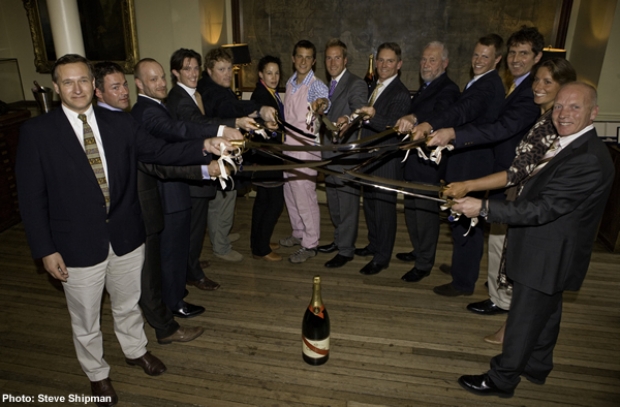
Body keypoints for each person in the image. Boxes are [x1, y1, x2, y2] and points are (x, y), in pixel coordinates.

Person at [16, 54, 230, 406]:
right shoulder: (37, 132)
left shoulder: (120, 122)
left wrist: (204, 146)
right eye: (68, 82)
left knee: (128, 304)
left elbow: (159, 151)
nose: (77, 88)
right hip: (75, 245)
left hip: (127, 234)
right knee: (86, 319)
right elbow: (31, 197)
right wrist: (45, 249)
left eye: (83, 80)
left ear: (93, 84)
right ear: (56, 88)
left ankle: (135, 350)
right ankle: (97, 374)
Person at [454, 82, 614, 398]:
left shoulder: (588, 158)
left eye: (575, 107)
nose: (563, 114)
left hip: (548, 252)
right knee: (547, 312)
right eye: (559, 106)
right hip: (551, 250)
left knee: (524, 319)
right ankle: (537, 366)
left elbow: (543, 208)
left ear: (593, 112)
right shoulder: (570, 143)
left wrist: (483, 207)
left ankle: (502, 379)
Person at [442, 58, 578, 344]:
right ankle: (509, 317)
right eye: (537, 80)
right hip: (520, 200)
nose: (538, 86)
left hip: (528, 205)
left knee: (524, 273)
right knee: (508, 258)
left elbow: (516, 172)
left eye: (548, 82)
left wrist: (469, 185)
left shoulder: (550, 124)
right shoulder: (544, 118)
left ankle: (512, 333)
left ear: (564, 87)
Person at [93, 61, 206, 346]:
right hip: (127, 213)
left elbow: (157, 157)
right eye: (115, 87)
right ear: (99, 92)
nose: (123, 91)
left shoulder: (124, 119)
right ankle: (162, 327)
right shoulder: (113, 121)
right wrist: (207, 151)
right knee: (143, 279)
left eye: (123, 85)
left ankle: (157, 330)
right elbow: (159, 158)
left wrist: (206, 160)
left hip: (141, 208)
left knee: (146, 277)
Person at [428, 26, 544, 298]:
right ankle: (467, 270)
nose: (516, 59)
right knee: (475, 223)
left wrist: (453, 133)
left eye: (523, 53)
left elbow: (501, 128)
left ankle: (469, 283)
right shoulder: (515, 86)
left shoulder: (530, 91)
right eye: (513, 52)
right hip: (494, 165)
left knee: (482, 227)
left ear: (537, 57)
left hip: (507, 171)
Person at [131, 58, 242, 318]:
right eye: (153, 79)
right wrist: (216, 133)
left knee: (177, 248)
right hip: (167, 195)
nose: (161, 83)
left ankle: (175, 292)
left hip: (175, 189)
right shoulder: (146, 111)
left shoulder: (158, 105)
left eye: (161, 77)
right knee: (172, 250)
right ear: (139, 84)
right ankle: (174, 302)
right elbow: (178, 130)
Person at [403, 34, 505, 294]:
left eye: (485, 56)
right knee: (459, 221)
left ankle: (463, 282)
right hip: (464, 160)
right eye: (476, 55)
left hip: (473, 163)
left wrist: (430, 124)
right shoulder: (478, 82)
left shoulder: (488, 85)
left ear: (497, 59)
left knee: (467, 221)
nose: (478, 60)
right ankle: (462, 268)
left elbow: (462, 111)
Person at [166, 48, 244, 289]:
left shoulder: (194, 93)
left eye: (195, 68)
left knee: (196, 225)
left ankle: (191, 262)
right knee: (193, 226)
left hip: (199, 166)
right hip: (192, 169)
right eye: (186, 68)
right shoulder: (179, 98)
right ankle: (193, 273)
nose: (192, 73)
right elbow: (197, 122)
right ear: (175, 73)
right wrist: (231, 124)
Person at [393, 41, 460, 282]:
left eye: (432, 60)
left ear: (445, 63)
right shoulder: (426, 87)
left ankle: (424, 263)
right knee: (412, 212)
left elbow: (439, 115)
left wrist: (414, 117)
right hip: (414, 163)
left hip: (429, 165)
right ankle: (418, 250)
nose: (426, 64)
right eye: (423, 59)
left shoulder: (449, 89)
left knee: (425, 216)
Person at [353, 42, 411, 275]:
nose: (384, 65)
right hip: (369, 158)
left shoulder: (401, 93)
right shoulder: (374, 87)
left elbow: (392, 126)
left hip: (386, 161)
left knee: (384, 212)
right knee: (370, 206)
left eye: (390, 61)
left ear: (399, 64)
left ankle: (382, 258)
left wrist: (370, 116)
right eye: (381, 60)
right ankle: (374, 244)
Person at [315, 39, 368, 268]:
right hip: (329, 155)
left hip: (346, 157)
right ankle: (339, 241)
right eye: (329, 58)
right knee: (335, 204)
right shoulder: (329, 86)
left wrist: (349, 118)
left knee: (347, 206)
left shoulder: (355, 83)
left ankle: (346, 250)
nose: (332, 62)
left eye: (337, 57)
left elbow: (359, 108)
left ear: (345, 60)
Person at [279, 39, 330, 264]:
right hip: (288, 147)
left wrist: (321, 105)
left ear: (314, 61)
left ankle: (310, 243)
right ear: (293, 59)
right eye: (300, 56)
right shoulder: (290, 83)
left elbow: (324, 100)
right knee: (290, 193)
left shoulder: (315, 85)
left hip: (306, 149)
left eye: (308, 57)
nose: (303, 61)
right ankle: (298, 232)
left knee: (305, 197)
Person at [248, 55, 286, 261]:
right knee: (274, 203)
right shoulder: (262, 95)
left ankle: (259, 242)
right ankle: (261, 248)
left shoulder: (270, 92)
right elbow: (259, 124)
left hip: (268, 155)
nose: (274, 77)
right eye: (269, 73)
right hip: (268, 156)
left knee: (263, 201)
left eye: (277, 73)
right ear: (261, 74)